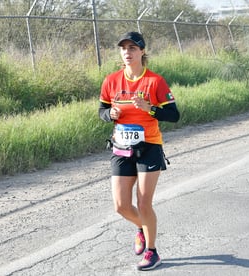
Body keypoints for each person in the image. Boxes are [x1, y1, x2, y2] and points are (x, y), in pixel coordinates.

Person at [98, 31, 180, 270]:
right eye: (123, 48)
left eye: (133, 48)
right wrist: (109, 115)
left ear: (142, 52)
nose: (127, 52)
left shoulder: (155, 81)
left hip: (149, 146)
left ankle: (153, 252)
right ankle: (141, 228)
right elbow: (101, 110)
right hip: (121, 147)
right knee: (121, 205)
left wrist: (150, 108)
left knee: (144, 203)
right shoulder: (111, 80)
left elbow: (174, 115)